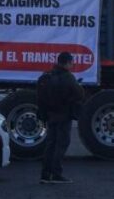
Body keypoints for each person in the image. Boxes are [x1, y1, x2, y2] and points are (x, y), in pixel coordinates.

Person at [36, 52, 84, 184]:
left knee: (50, 144)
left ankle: (45, 174)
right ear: (68, 62)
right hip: (64, 115)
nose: (72, 65)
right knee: (61, 144)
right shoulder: (68, 77)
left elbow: (41, 98)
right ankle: (56, 174)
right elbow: (79, 94)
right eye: (71, 62)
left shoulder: (47, 77)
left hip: (50, 115)